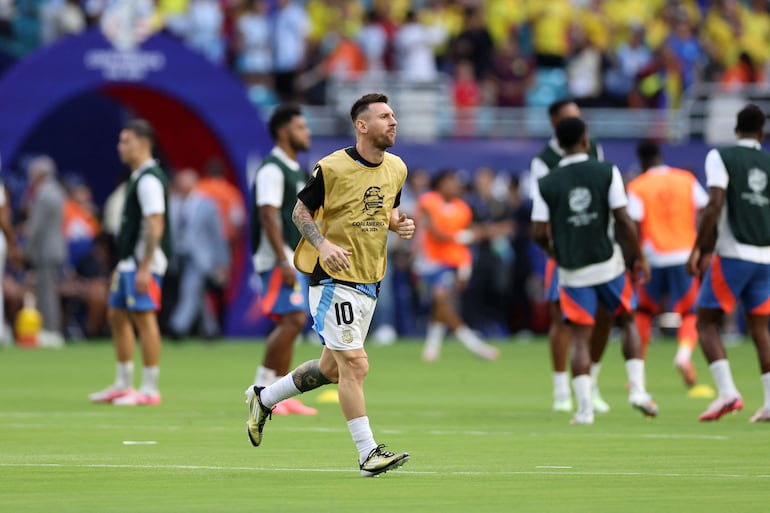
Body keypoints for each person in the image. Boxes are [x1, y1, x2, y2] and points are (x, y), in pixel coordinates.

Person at [245, 93, 415, 477]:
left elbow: (384, 209)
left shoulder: (397, 168)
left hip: (370, 280)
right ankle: (367, 454)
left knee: (332, 369)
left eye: (394, 115)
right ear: (362, 125)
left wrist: (399, 223)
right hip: (332, 280)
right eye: (385, 116)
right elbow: (299, 211)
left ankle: (264, 397)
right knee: (355, 364)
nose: (394, 122)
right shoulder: (332, 167)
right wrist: (322, 244)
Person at [531, 117, 658, 425]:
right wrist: (638, 257)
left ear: (559, 146)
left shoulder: (547, 183)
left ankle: (584, 409)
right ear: (586, 141)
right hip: (608, 264)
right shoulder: (607, 171)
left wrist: (556, 253)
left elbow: (537, 231)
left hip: (573, 271)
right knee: (627, 320)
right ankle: (638, 391)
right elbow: (624, 220)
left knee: (578, 338)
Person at [686, 104, 770, 423]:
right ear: (762, 133)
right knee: (760, 329)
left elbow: (715, 204)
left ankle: (727, 393)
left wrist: (699, 248)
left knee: (705, 321)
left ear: (736, 130)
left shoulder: (721, 156)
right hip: (766, 257)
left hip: (734, 254)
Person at [530, 98, 610, 413]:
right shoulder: (543, 161)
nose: (577, 124)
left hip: (597, 247)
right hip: (564, 247)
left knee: (604, 316)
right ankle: (562, 390)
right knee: (562, 318)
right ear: (554, 123)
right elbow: (540, 209)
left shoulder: (595, 150)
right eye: (569, 118)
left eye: (578, 117)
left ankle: (591, 384)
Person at [89, 119, 171, 406]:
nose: (119, 147)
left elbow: (155, 222)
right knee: (117, 315)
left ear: (143, 143)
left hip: (142, 263)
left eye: (126, 141)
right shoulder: (138, 176)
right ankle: (123, 384)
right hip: (129, 262)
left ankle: (149, 389)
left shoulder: (149, 178)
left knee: (144, 319)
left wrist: (145, 266)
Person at [627, 139, 714, 397]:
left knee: (642, 312)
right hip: (684, 255)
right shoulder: (685, 179)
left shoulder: (637, 186)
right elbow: (707, 210)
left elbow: (632, 224)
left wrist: (635, 259)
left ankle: (637, 375)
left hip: (652, 257)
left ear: (642, 161)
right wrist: (705, 249)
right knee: (690, 312)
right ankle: (684, 354)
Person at [250, 103, 316, 416]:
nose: (307, 133)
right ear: (283, 131)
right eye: (301, 127)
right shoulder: (272, 169)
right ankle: (262, 389)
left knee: (293, 320)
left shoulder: (292, 168)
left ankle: (277, 393)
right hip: (280, 258)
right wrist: (281, 259)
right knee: (293, 320)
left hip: (291, 256)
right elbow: (267, 214)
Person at [417, 169, 500, 362]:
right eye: (451, 181)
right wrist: (462, 236)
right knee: (440, 303)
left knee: (441, 297)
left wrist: (466, 264)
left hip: (453, 263)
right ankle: (436, 346)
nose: (455, 185)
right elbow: (436, 233)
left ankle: (471, 344)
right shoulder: (428, 201)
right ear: (440, 183)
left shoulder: (463, 208)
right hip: (428, 262)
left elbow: (473, 233)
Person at [24, 155, 67, 344]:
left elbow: (36, 227)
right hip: (56, 247)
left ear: (41, 174)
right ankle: (51, 329)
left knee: (46, 291)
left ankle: (50, 330)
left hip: (46, 249)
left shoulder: (43, 193)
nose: (31, 177)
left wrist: (27, 251)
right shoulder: (57, 190)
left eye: (33, 173)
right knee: (49, 289)